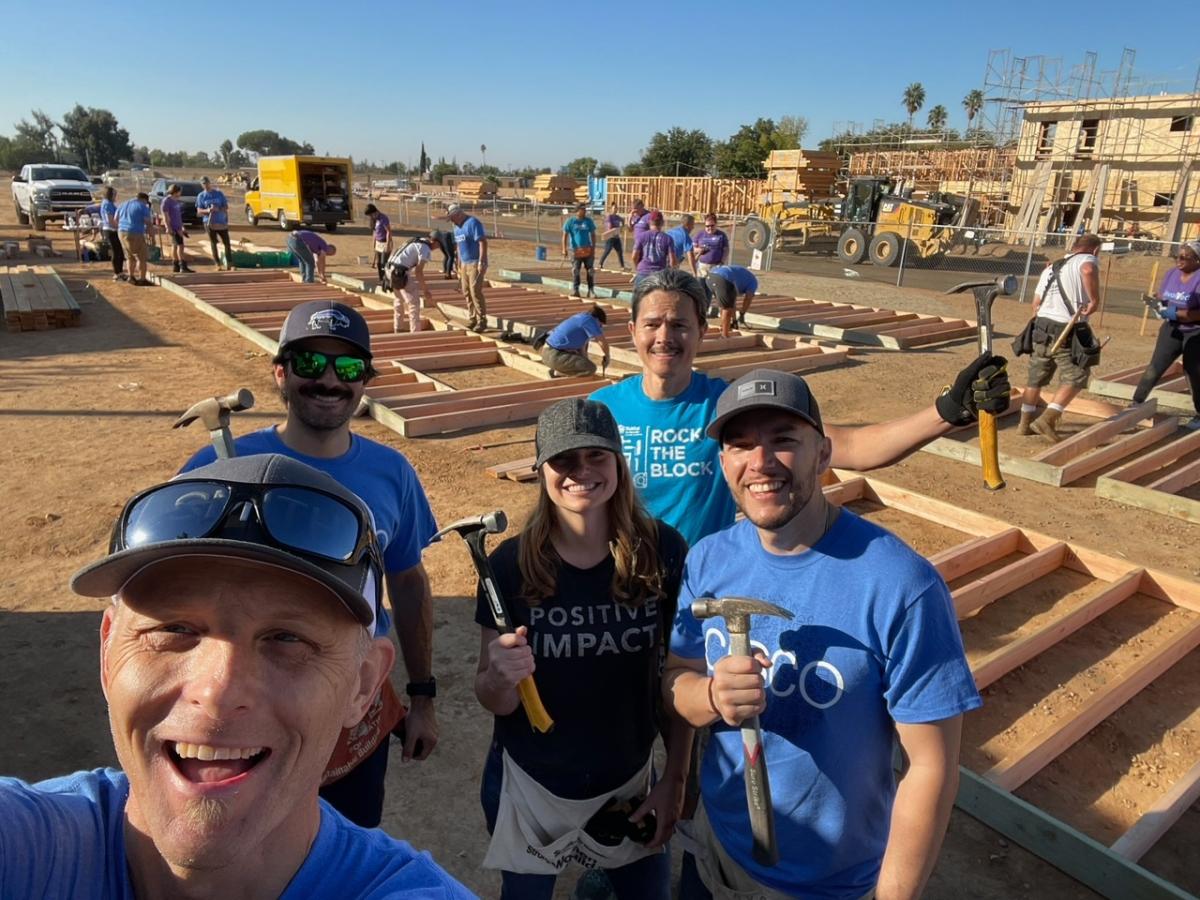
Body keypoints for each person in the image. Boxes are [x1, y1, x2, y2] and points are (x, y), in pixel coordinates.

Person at [0, 454, 471, 899]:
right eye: (174, 629)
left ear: (363, 685)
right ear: (107, 653)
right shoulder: (26, 846)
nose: (218, 692)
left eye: (287, 639)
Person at [664, 368, 981, 898]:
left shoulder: (900, 584)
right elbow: (675, 679)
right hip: (716, 854)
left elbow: (932, 765)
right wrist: (712, 695)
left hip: (830, 884)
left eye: (783, 441)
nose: (760, 463)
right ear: (723, 464)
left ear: (824, 454)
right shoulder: (709, 559)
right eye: (740, 446)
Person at [181, 300, 440, 829]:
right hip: (249, 698)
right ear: (280, 372)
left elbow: (408, 584)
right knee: (242, 842)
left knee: (346, 842)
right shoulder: (218, 467)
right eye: (308, 364)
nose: (328, 380)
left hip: (354, 702)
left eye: (346, 369)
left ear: (364, 382)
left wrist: (422, 695)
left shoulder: (392, 472)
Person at [589, 268, 1011, 548]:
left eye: (680, 324)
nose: (665, 336)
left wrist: (945, 412)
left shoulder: (727, 408)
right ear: (632, 331)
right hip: (620, 582)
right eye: (652, 324)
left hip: (700, 579)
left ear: (703, 330)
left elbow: (852, 446)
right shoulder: (602, 410)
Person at [474, 398, 690, 899]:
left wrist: (675, 779)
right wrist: (499, 677)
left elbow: (679, 675)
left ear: (618, 462)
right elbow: (493, 699)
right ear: (542, 469)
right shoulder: (511, 564)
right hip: (531, 782)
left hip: (630, 781)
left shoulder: (661, 551)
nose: (582, 472)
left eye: (596, 455)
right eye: (564, 460)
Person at [1016, 233, 1103, 442]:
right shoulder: (1088, 259)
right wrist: (1094, 300)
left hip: (1042, 325)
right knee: (1077, 374)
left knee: (1036, 375)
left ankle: (1025, 423)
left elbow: (1035, 303)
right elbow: (1088, 270)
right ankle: (1048, 418)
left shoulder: (1053, 267)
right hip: (1066, 326)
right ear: (1096, 250)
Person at [1133, 239, 1200, 430]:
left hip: (1196, 332)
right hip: (1172, 328)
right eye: (1177, 256)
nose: (1179, 260)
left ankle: (1199, 414)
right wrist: (1157, 303)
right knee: (1155, 366)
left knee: (1194, 372)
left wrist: (1177, 314)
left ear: (1197, 260)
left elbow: (1196, 313)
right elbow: (1163, 296)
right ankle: (1137, 403)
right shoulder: (1172, 274)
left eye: (1184, 258)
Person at [448, 202, 489, 332]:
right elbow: (459, 247)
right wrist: (459, 265)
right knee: (466, 291)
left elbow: (482, 242)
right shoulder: (456, 228)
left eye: (452, 218)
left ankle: (481, 320)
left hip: (475, 262)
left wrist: (481, 261)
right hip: (464, 264)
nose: (452, 221)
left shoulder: (473, 223)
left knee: (475, 291)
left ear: (458, 214)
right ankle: (473, 318)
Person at [540, 304, 611, 377]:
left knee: (588, 368)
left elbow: (582, 350)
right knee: (591, 369)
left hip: (548, 353)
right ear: (597, 319)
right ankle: (558, 373)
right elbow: (602, 342)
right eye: (600, 325)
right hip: (554, 355)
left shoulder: (581, 318)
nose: (600, 327)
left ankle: (559, 370)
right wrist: (607, 356)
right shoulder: (590, 320)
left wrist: (586, 364)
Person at [387, 235, 437, 333]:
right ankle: (415, 333)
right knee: (414, 303)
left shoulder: (416, 241)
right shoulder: (425, 248)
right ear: (435, 242)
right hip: (400, 273)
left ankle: (398, 328)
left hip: (389, 270)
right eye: (439, 246)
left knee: (399, 300)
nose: (437, 248)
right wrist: (426, 291)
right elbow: (418, 272)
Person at [705, 264, 757, 339]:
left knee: (723, 304)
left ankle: (724, 326)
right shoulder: (753, 282)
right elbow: (748, 298)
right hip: (723, 279)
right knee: (727, 308)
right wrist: (742, 313)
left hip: (710, 277)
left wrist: (735, 320)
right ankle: (725, 335)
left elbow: (732, 302)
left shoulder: (741, 277)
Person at [117, 191, 155, 286]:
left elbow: (115, 218)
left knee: (129, 256)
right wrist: (152, 237)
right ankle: (142, 279)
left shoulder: (123, 204)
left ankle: (131, 277)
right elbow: (148, 223)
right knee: (141, 257)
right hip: (135, 232)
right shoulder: (142, 206)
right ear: (144, 200)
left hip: (122, 232)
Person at [196, 175, 233, 271]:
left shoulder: (219, 194)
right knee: (213, 243)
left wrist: (218, 209)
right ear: (202, 185)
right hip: (209, 223)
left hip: (221, 222)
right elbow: (199, 211)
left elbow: (226, 206)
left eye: (207, 183)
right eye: (204, 184)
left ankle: (229, 263)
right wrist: (208, 210)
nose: (206, 185)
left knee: (227, 243)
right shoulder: (201, 196)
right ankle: (217, 264)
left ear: (210, 183)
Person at [693, 213, 729, 313]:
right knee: (701, 289)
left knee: (710, 290)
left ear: (716, 224)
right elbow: (693, 249)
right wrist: (700, 249)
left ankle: (706, 310)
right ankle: (699, 310)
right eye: (707, 226)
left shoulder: (721, 235)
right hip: (702, 267)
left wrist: (722, 261)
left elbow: (726, 249)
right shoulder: (700, 235)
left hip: (715, 266)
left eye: (712, 225)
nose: (709, 228)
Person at [563, 202, 598, 298]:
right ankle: (576, 289)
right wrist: (564, 248)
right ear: (577, 210)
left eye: (585, 209)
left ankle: (591, 290)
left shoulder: (588, 221)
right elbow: (565, 235)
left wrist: (593, 248)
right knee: (576, 270)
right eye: (582, 209)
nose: (584, 211)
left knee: (590, 270)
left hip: (587, 249)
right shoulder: (571, 221)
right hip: (575, 250)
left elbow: (593, 235)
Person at [632, 212, 676, 286]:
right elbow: (673, 261)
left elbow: (634, 257)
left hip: (643, 272)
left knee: (639, 296)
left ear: (649, 222)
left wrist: (637, 268)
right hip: (659, 275)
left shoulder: (641, 236)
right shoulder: (668, 239)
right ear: (662, 223)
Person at [161, 183, 193, 274]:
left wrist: (182, 227)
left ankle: (176, 266)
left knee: (175, 246)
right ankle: (182, 266)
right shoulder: (166, 201)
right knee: (180, 246)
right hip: (173, 227)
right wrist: (168, 227)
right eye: (179, 192)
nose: (180, 193)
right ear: (175, 191)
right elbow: (165, 216)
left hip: (178, 226)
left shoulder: (175, 201)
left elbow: (178, 216)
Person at [99, 186, 126, 281]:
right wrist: (120, 226)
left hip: (114, 229)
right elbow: (110, 219)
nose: (116, 196)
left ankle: (120, 271)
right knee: (116, 251)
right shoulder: (107, 204)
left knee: (120, 252)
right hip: (110, 230)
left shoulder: (110, 203)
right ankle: (117, 273)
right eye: (114, 194)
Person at [365, 203, 392, 287]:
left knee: (384, 263)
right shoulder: (374, 220)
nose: (370, 217)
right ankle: (381, 280)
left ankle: (386, 280)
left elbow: (388, 231)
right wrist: (374, 243)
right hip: (378, 243)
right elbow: (374, 232)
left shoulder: (383, 218)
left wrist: (388, 244)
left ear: (374, 211)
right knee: (379, 263)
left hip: (385, 242)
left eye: (371, 214)